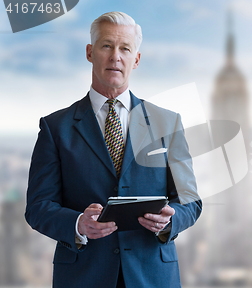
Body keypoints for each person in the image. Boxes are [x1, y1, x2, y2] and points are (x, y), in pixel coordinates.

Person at [24, 11, 202, 288]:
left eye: (125, 48)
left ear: (137, 59)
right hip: (83, 276)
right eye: (106, 45)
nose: (115, 56)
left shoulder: (168, 123)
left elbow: (190, 200)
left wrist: (171, 220)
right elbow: (38, 208)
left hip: (152, 275)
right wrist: (78, 225)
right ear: (90, 52)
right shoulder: (55, 127)